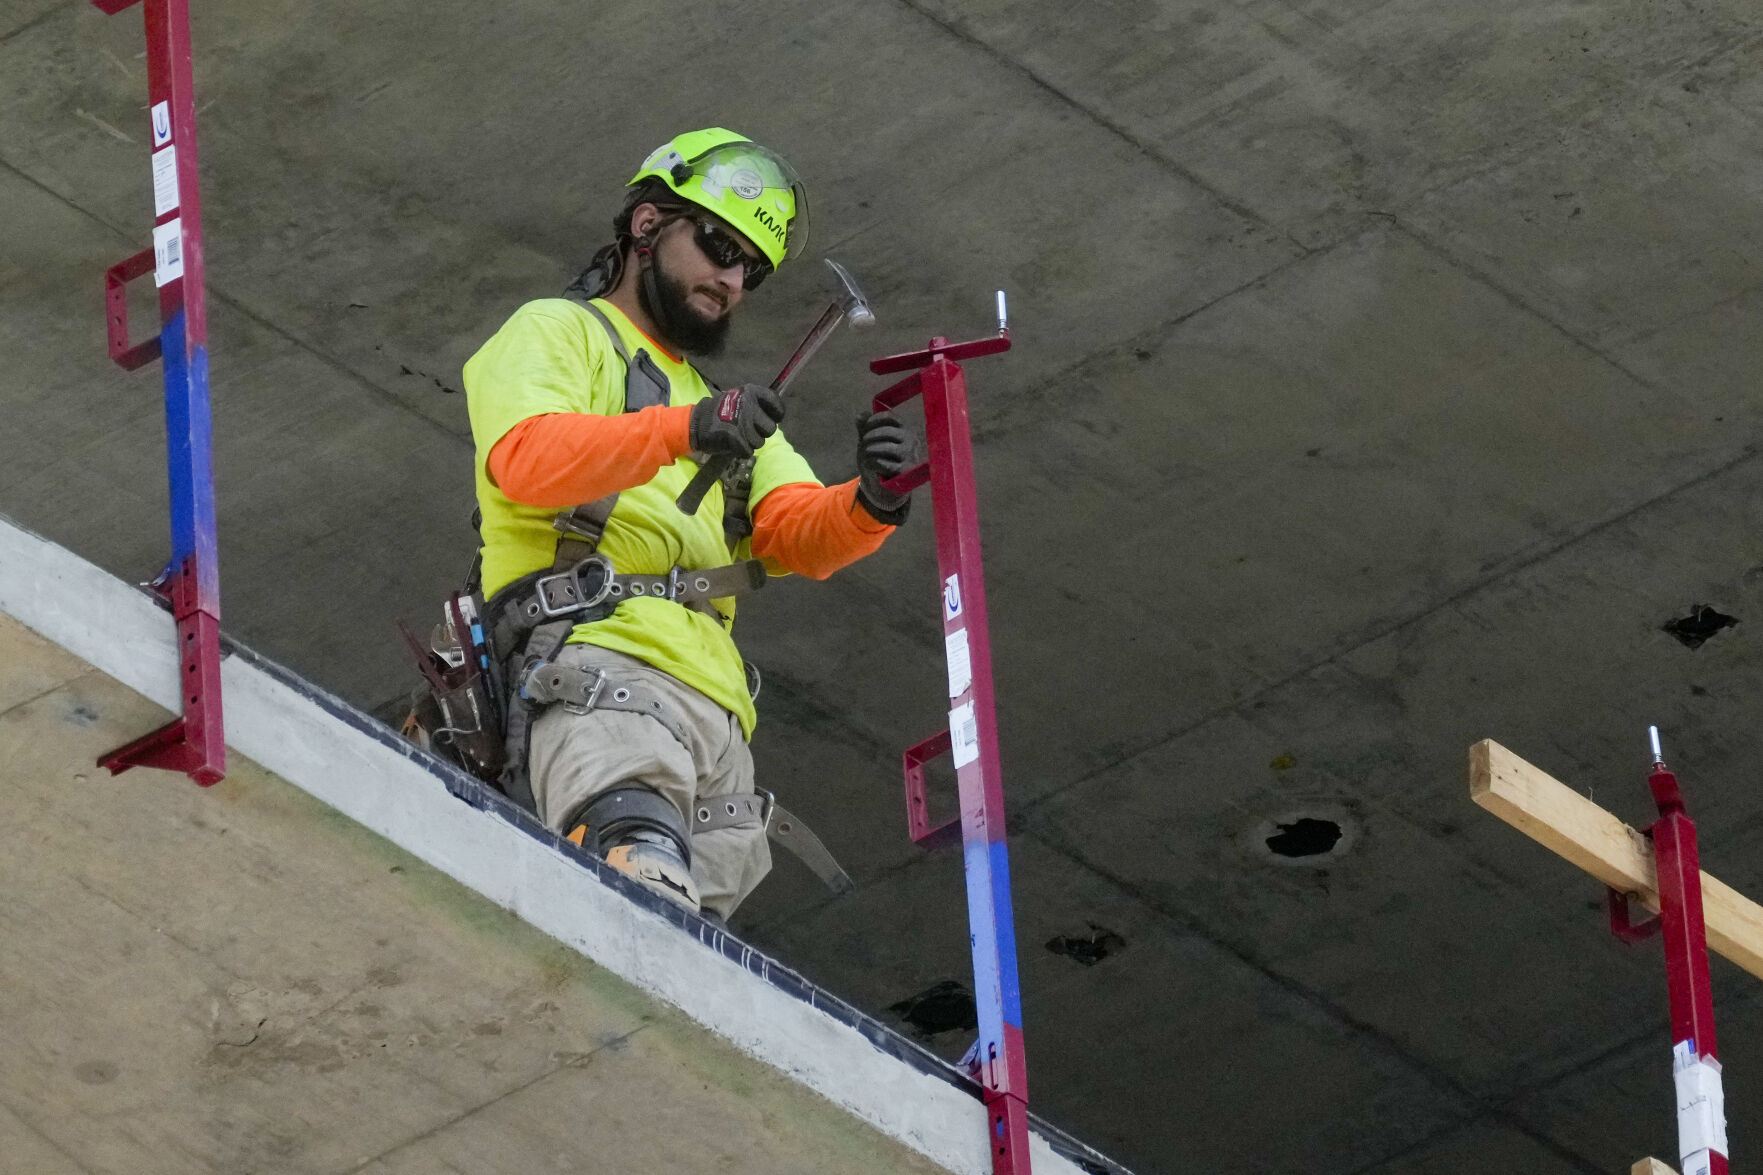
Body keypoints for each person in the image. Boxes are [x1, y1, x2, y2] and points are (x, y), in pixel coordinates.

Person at [461, 128, 915, 920]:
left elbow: (799, 535)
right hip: (604, 677)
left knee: (683, 978)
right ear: (646, 226)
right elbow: (527, 458)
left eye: (750, 269)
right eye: (716, 245)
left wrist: (872, 500)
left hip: (718, 729)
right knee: (636, 900)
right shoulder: (563, 332)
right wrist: (685, 429)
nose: (732, 278)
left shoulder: (722, 412)